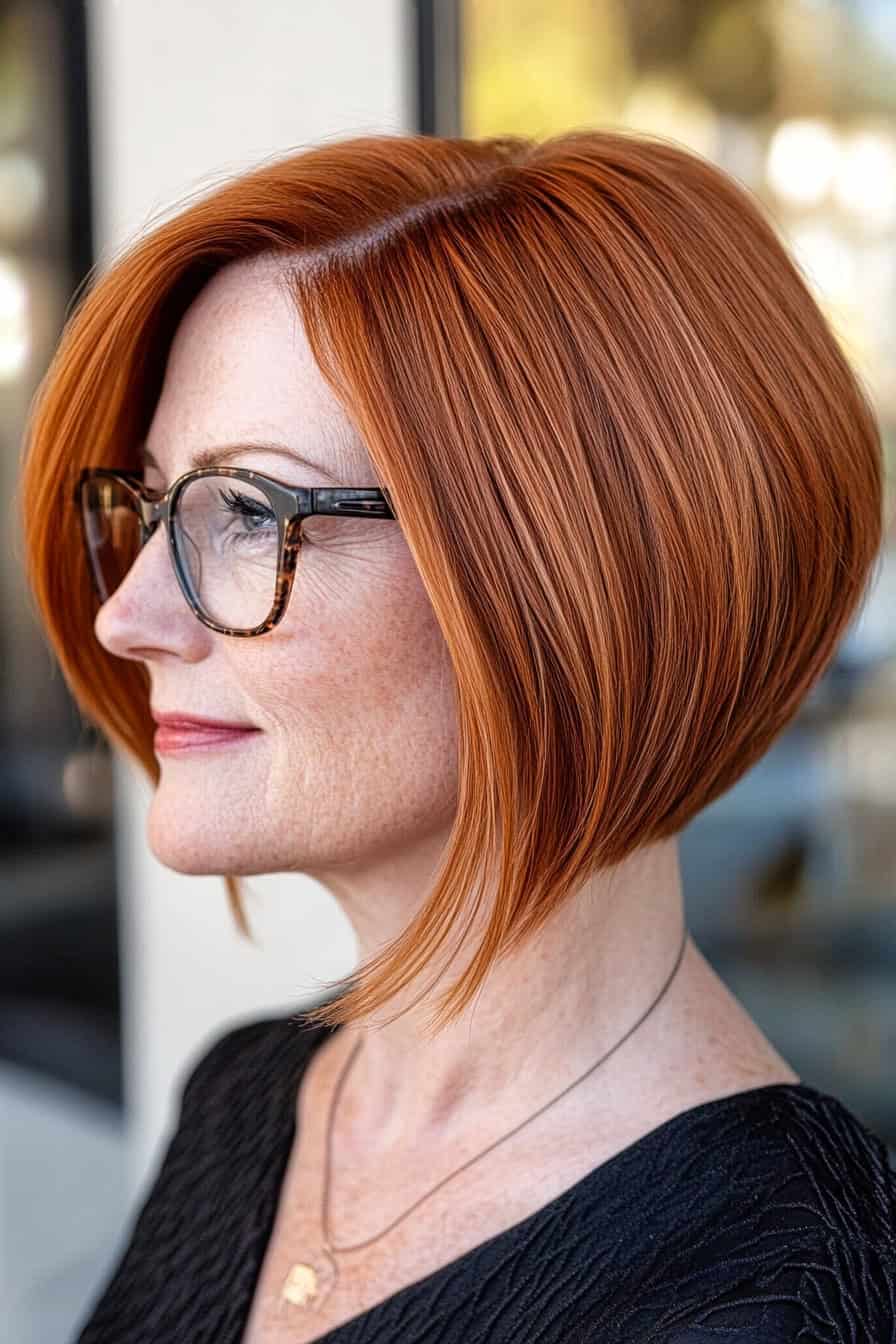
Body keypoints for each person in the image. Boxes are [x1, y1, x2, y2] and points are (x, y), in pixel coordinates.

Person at [20, 128, 895, 1343]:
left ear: (564, 580)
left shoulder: (768, 1295)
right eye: (159, 505)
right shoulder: (256, 1100)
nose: (128, 615)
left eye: (245, 512)